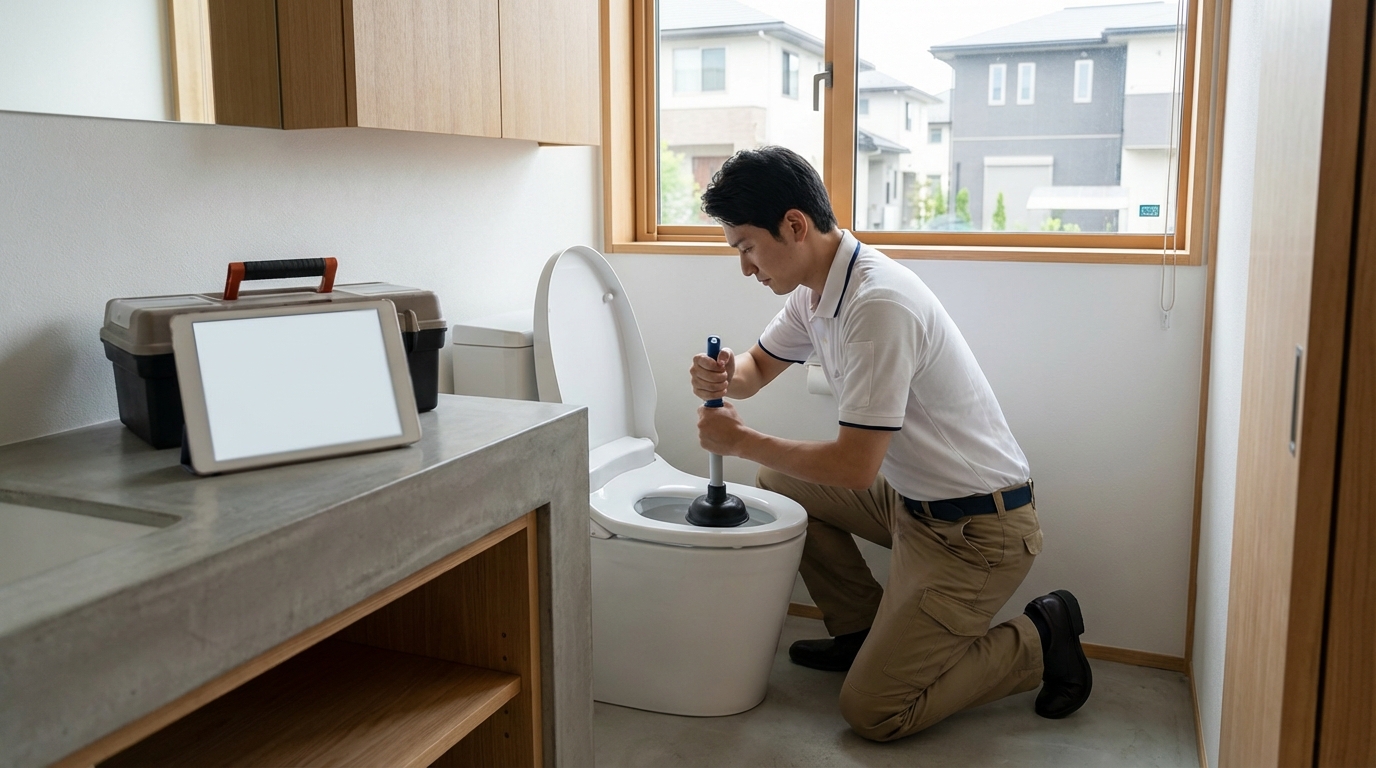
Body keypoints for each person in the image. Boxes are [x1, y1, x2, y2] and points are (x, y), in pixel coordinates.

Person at [689, 146, 1092, 741]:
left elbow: (853, 467)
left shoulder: (877, 303)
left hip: (978, 532)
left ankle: (1042, 636)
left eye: (746, 246)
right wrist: (725, 375)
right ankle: (859, 633)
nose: (745, 267)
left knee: (875, 712)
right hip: (912, 501)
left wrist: (741, 440)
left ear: (794, 226)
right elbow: (755, 366)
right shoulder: (815, 288)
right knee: (779, 483)